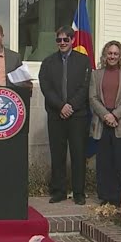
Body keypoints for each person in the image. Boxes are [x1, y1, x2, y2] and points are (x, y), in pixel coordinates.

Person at [38, 25, 92, 205]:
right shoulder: (48, 62)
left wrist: (71, 106)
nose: (62, 43)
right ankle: (59, 191)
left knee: (78, 154)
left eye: (65, 39)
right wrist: (61, 106)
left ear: (72, 40)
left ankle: (78, 193)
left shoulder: (84, 61)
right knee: (58, 154)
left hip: (78, 116)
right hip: (56, 115)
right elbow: (46, 87)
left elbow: (85, 87)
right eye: (59, 40)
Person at [89, 41, 121, 207]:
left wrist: (114, 115)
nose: (112, 56)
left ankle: (120, 197)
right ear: (105, 55)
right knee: (104, 161)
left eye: (116, 54)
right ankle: (105, 196)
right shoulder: (96, 74)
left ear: (120, 55)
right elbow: (92, 98)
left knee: (120, 161)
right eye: (110, 53)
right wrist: (105, 115)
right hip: (102, 122)